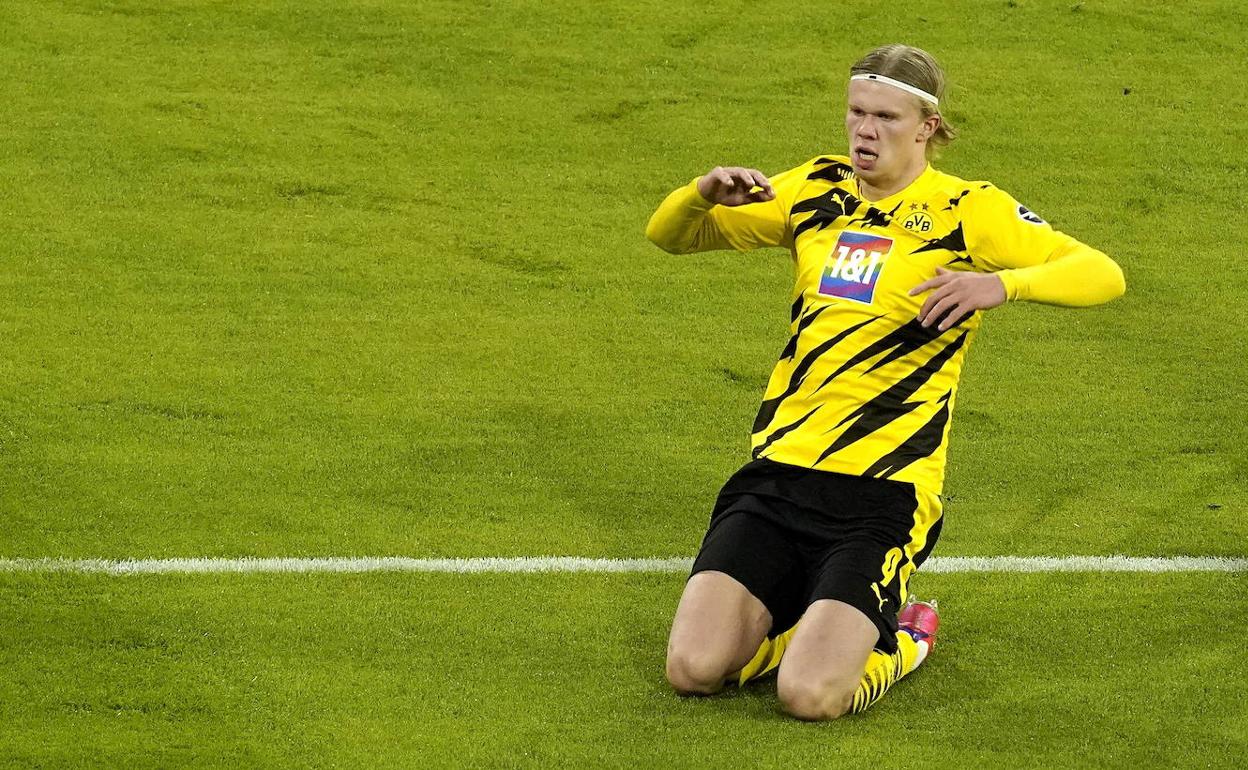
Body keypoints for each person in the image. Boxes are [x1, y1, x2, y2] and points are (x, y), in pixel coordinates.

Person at [645, 44, 1125, 720]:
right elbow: (669, 236)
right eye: (856, 113)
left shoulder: (967, 209)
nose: (865, 131)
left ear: (927, 126)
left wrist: (1001, 284)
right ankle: (808, 626)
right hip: (779, 475)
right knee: (692, 671)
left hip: (882, 495)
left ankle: (902, 637)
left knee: (810, 697)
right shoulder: (816, 190)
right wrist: (699, 195)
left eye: (886, 118)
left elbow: (1104, 273)